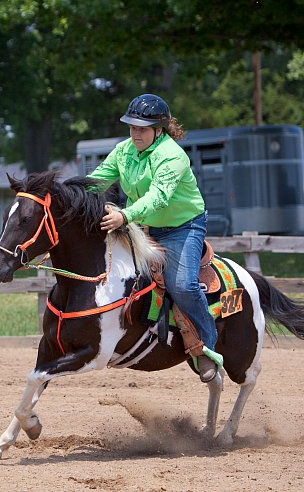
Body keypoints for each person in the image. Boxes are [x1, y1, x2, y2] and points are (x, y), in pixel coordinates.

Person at [87, 93, 223, 382]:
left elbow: (159, 198)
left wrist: (124, 216)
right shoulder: (123, 151)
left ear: (158, 129)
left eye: (142, 128)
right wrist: (66, 197)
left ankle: (208, 347)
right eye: (132, 127)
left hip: (183, 227)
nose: (136, 132)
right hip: (144, 225)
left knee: (183, 285)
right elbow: (98, 180)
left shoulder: (172, 155)